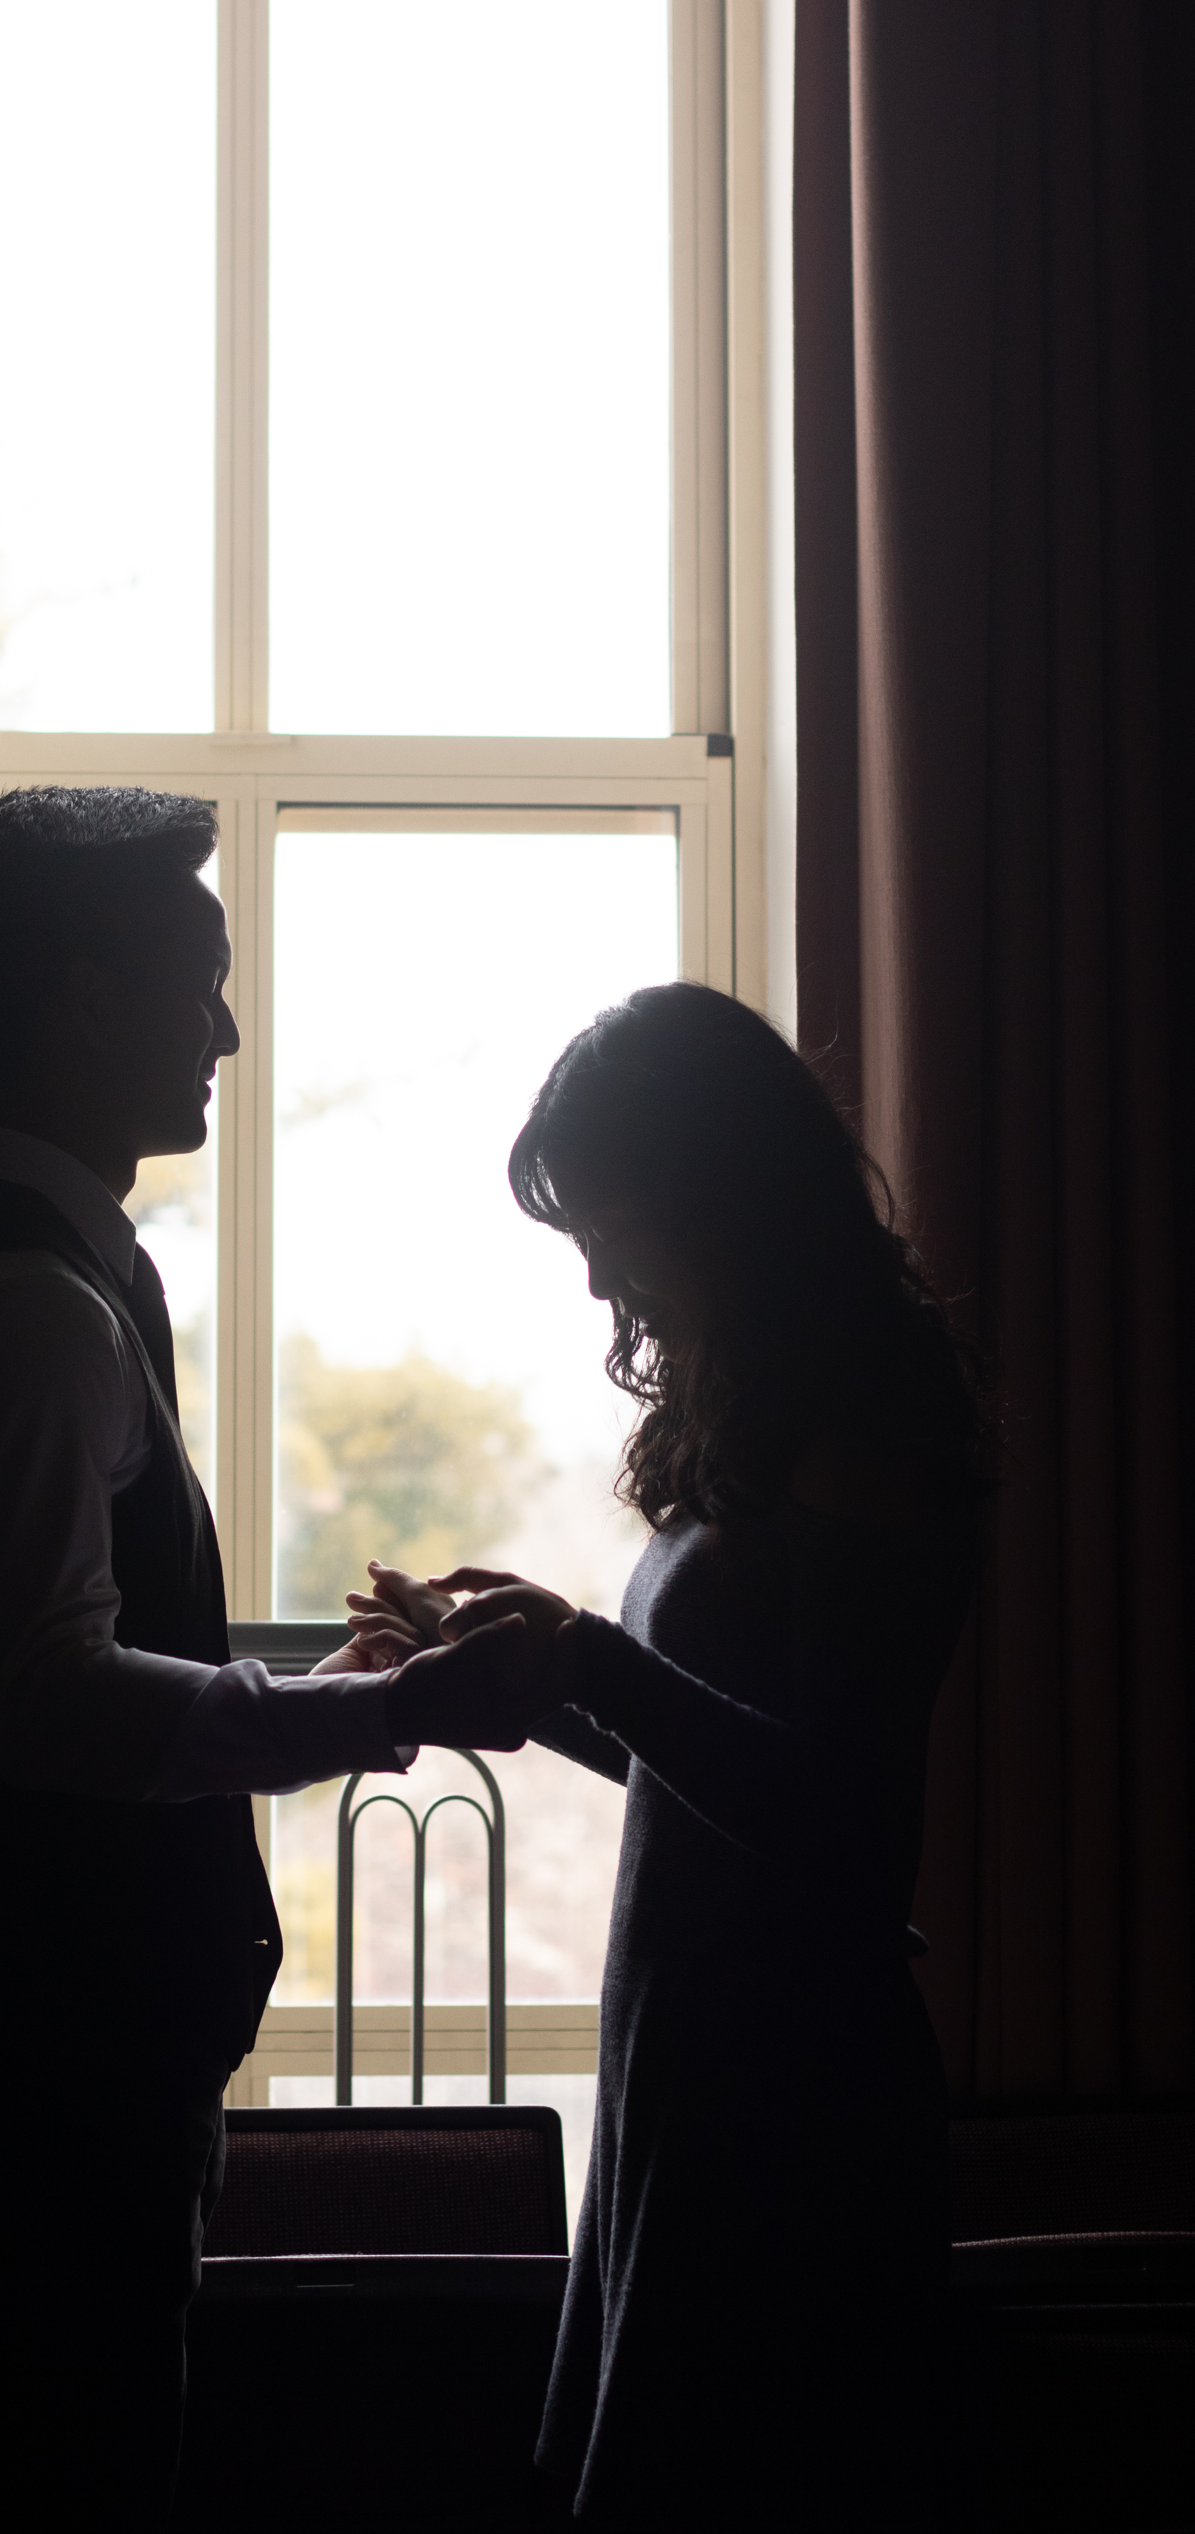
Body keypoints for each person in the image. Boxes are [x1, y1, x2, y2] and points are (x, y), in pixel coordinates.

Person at [0, 784, 493, 2531]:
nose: (229, 1033)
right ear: (85, 997)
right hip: (48, 2058)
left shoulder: (49, 1279)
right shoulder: (27, 1309)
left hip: (47, 2040)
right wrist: (380, 1712)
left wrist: (329, 1705)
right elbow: (49, 1702)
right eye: (201, 983)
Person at [339, 983, 992, 2531]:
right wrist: (518, 1676)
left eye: (608, 1228)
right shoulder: (774, 1421)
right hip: (700, 2082)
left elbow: (849, 1829)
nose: (597, 1278)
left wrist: (592, 1661)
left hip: (793, 2111)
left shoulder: (870, 1420)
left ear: (712, 1190)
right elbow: (712, 1783)